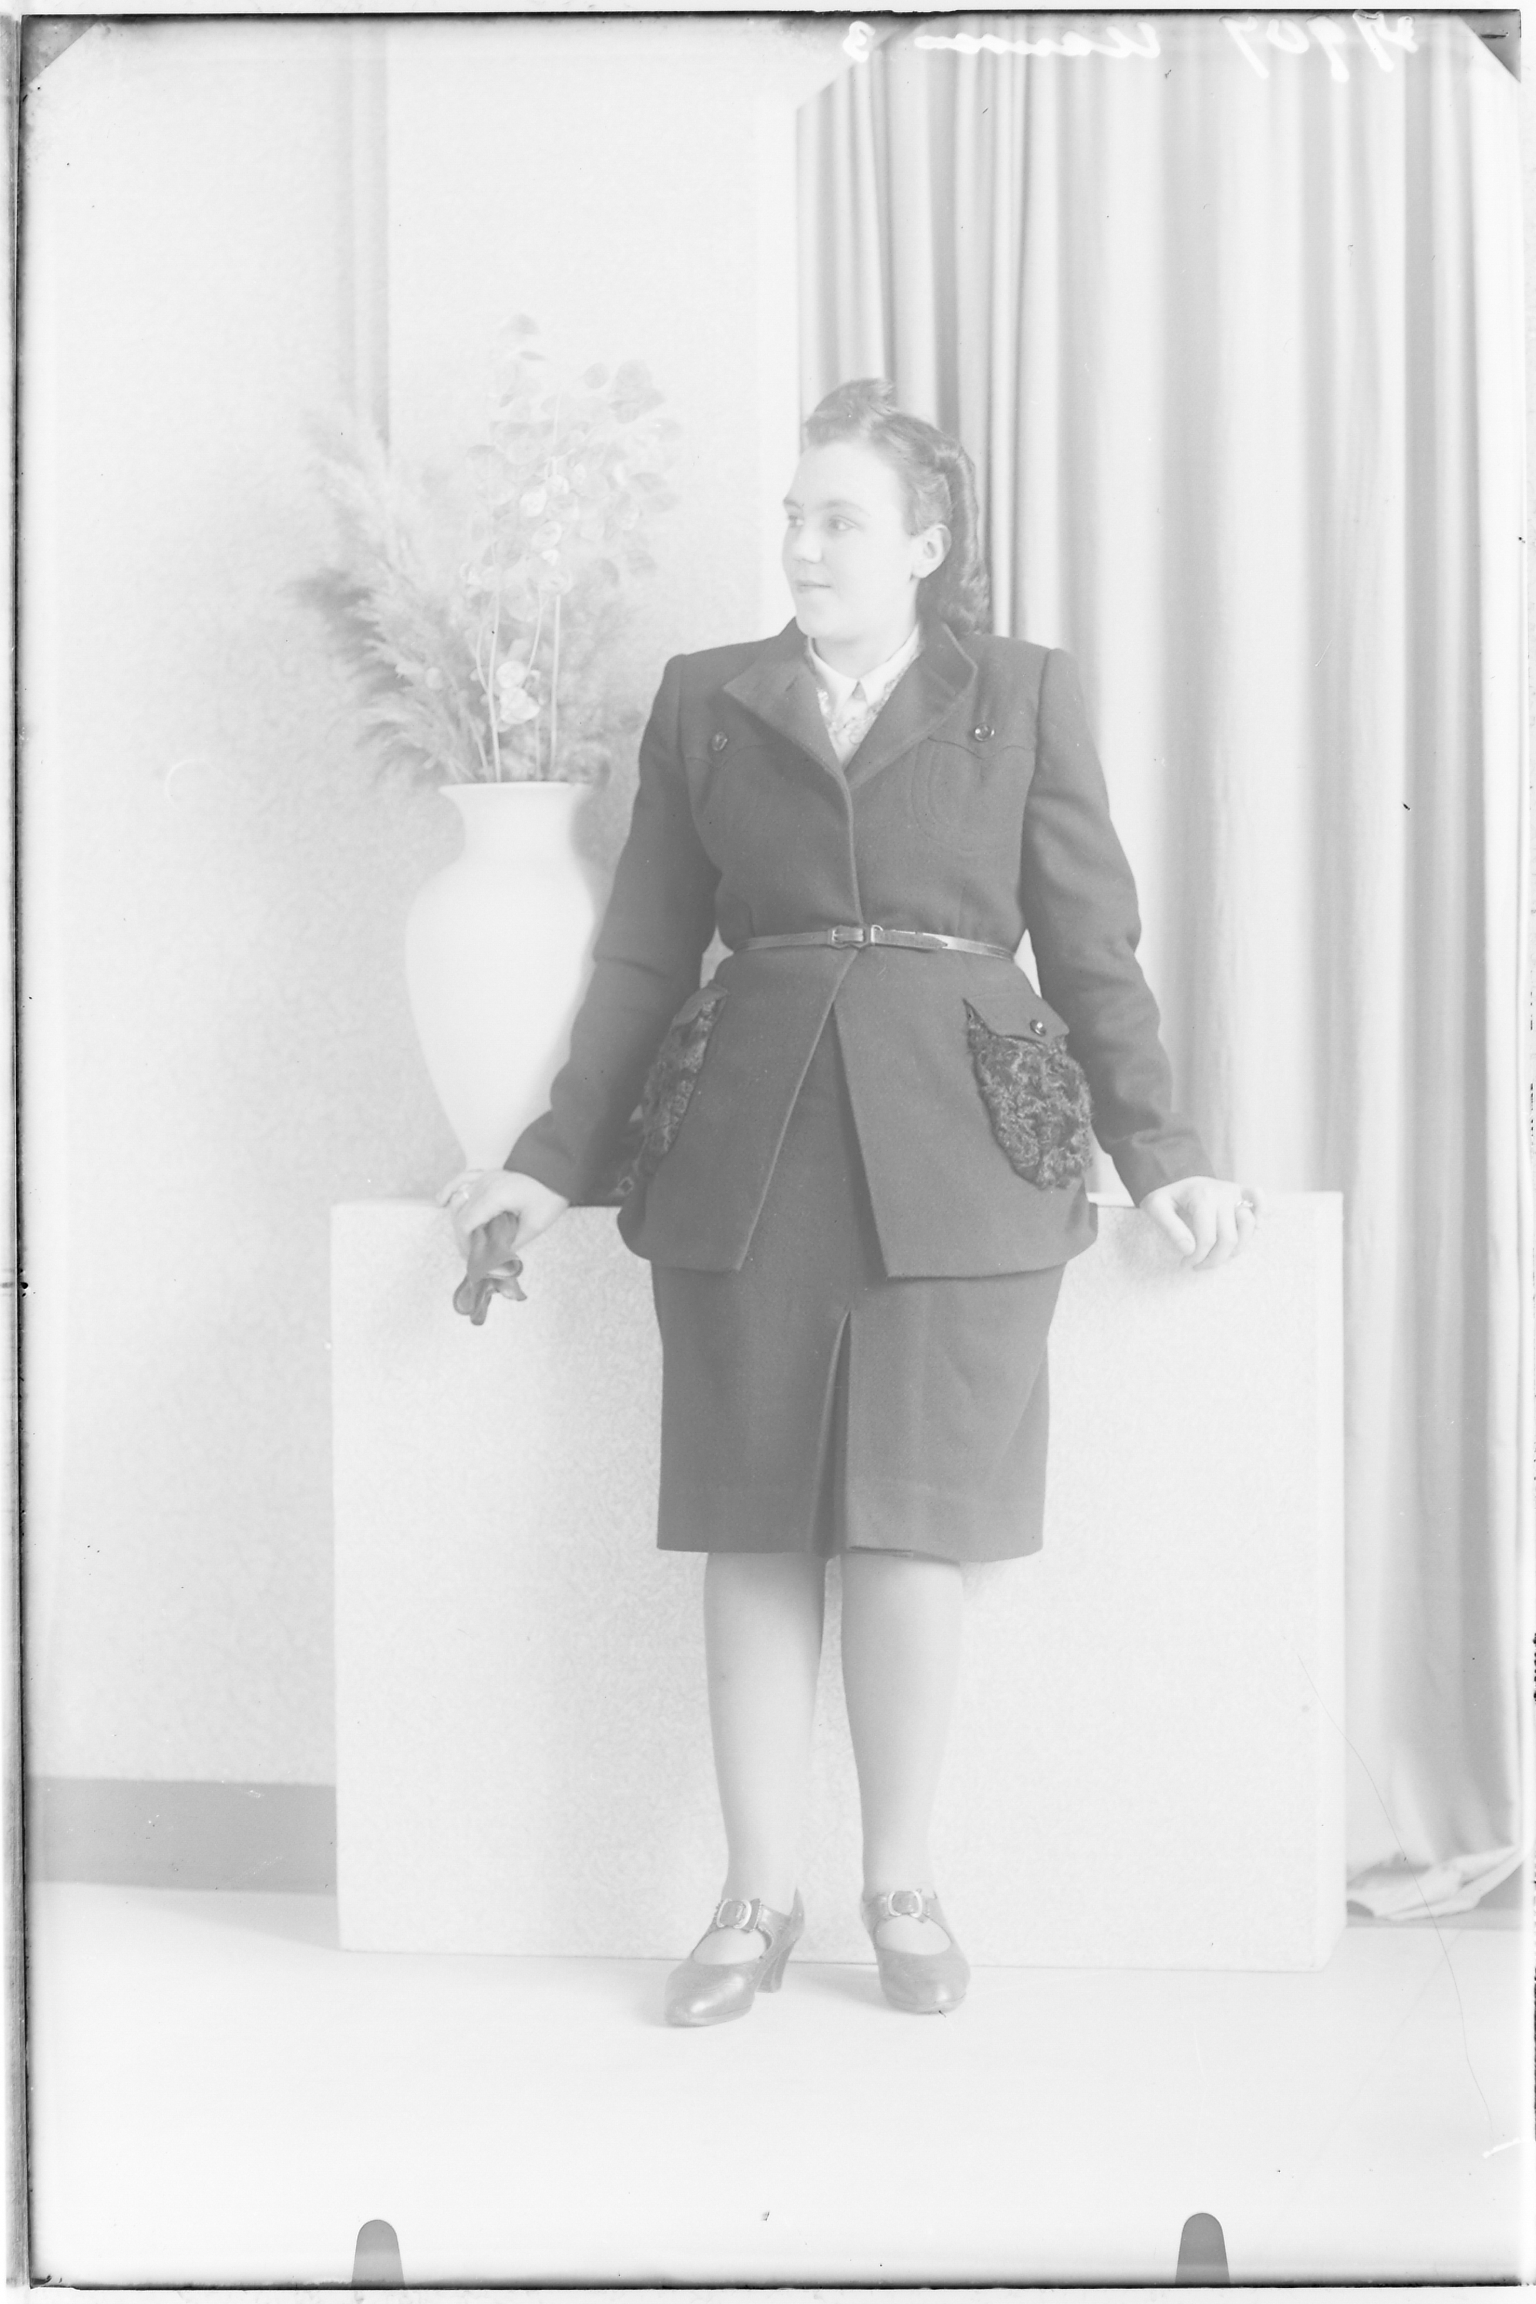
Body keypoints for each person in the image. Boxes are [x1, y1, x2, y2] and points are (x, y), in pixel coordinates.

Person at [445, 379, 1262, 2026]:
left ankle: (903, 1885)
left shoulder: (1022, 692)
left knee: (910, 1527)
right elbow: (642, 953)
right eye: (795, 518)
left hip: (963, 1157)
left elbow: (1092, 950)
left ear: (925, 543)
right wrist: (547, 1158)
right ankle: (755, 1897)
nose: (805, 547)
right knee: (752, 1528)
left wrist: (1164, 1153)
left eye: (841, 520)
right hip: (743, 1154)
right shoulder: (708, 698)